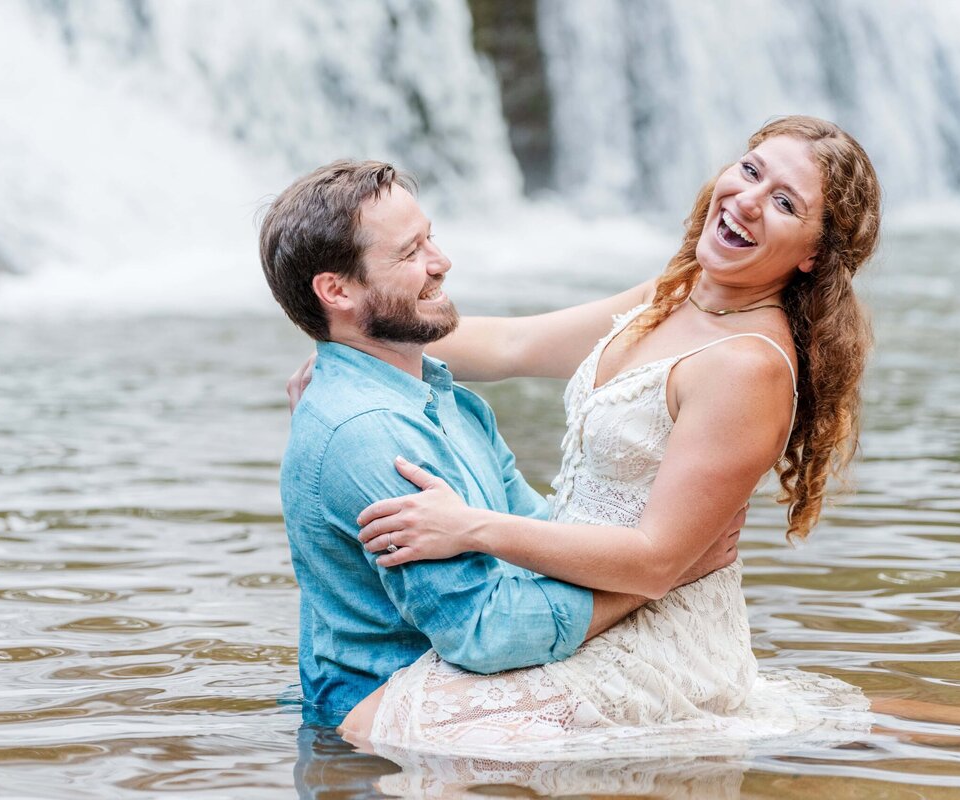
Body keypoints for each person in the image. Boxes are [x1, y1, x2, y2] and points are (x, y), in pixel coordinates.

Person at [289, 115, 881, 757]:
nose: (747, 201)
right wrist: (349, 348)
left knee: (372, 731)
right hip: (562, 591)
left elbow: (657, 562)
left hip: (647, 626)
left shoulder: (748, 366)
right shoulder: (674, 293)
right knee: (372, 728)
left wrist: (471, 528)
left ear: (813, 254)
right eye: (750, 170)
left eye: (785, 202)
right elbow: (515, 344)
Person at [258, 160, 743, 728]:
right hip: (389, 743)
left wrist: (647, 557)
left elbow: (540, 528)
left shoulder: (446, 398)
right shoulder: (370, 436)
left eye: (430, 237)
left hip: (468, 702)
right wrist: (661, 576)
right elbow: (485, 631)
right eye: (410, 253)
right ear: (336, 290)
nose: (441, 262)